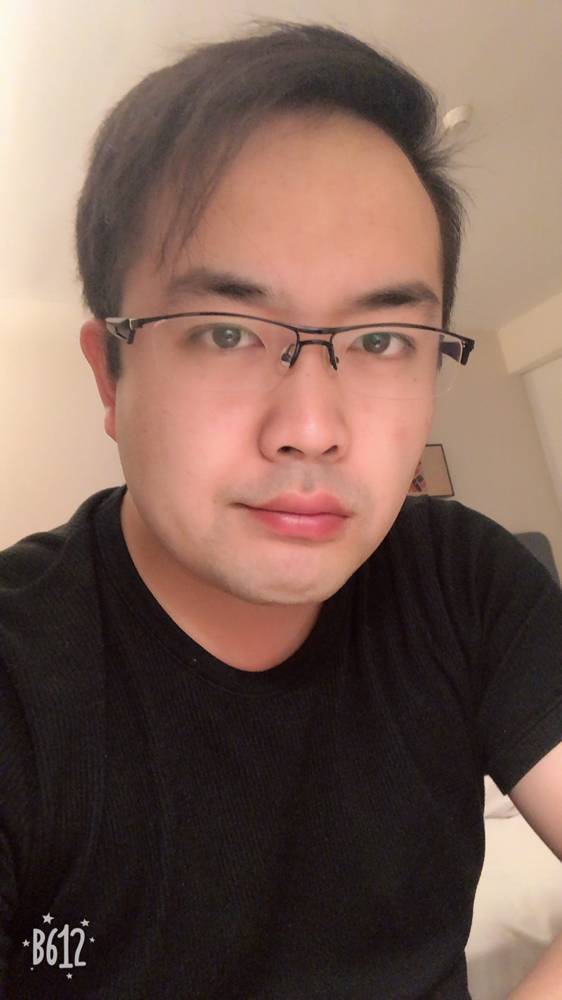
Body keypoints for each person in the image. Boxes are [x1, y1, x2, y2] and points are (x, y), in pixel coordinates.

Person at [1, 20, 561, 1000]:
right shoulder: (20, 675)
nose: (311, 429)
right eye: (225, 331)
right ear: (110, 376)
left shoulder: (464, 579)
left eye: (382, 340)